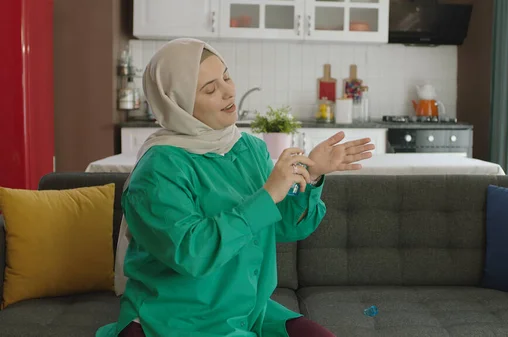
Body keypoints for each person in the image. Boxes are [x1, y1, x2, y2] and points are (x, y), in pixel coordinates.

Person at [96, 38, 374, 337]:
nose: (228, 91)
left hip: (244, 308)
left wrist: (313, 175)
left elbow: (285, 226)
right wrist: (268, 195)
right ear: (178, 104)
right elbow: (193, 254)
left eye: (226, 76)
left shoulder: (248, 148)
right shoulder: (156, 173)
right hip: (176, 315)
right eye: (210, 89)